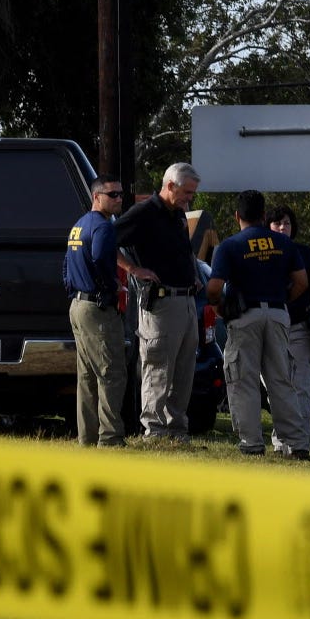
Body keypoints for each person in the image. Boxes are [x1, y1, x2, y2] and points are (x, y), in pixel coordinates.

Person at [207, 190, 309, 458]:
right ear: (264, 216)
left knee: (244, 379)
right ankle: (296, 444)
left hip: (244, 317)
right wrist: (282, 299)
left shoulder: (229, 246)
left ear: (237, 215)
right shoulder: (284, 244)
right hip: (277, 313)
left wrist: (219, 308)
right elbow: (302, 282)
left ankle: (252, 443)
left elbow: (214, 287)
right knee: (281, 380)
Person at [114, 162, 201, 441]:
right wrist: (132, 269)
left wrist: (195, 275)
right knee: (158, 367)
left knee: (184, 370)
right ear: (170, 186)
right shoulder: (144, 213)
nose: (190, 198)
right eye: (187, 192)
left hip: (186, 300)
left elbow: (185, 252)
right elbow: (106, 240)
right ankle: (154, 430)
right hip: (161, 304)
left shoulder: (177, 215)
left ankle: (176, 429)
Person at [266, 204, 310, 455]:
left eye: (286, 223)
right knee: (278, 388)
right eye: (277, 223)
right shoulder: (263, 255)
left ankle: (298, 445)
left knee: (301, 388)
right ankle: (281, 442)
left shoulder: (304, 254)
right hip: (272, 329)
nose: (283, 227)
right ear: (267, 227)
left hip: (301, 330)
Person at [63, 174, 127, 447]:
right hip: (96, 308)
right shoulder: (103, 226)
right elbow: (101, 258)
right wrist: (111, 286)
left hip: (78, 305)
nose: (119, 199)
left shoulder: (79, 225)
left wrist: (73, 290)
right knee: (111, 372)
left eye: (121, 194)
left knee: (87, 375)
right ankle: (110, 438)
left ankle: (87, 439)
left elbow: (65, 265)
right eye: (113, 194)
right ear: (97, 197)